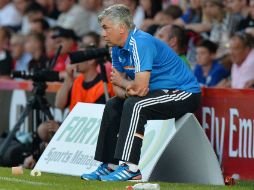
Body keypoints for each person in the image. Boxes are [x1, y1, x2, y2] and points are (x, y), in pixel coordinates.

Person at [81, 4, 201, 181]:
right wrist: (130, 89)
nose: (103, 34)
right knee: (114, 104)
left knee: (136, 104)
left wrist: (125, 84)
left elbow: (137, 87)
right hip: (157, 92)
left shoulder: (139, 42)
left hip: (183, 93)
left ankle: (131, 169)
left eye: (106, 28)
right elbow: (117, 91)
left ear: (122, 28)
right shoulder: (116, 48)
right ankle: (110, 164)